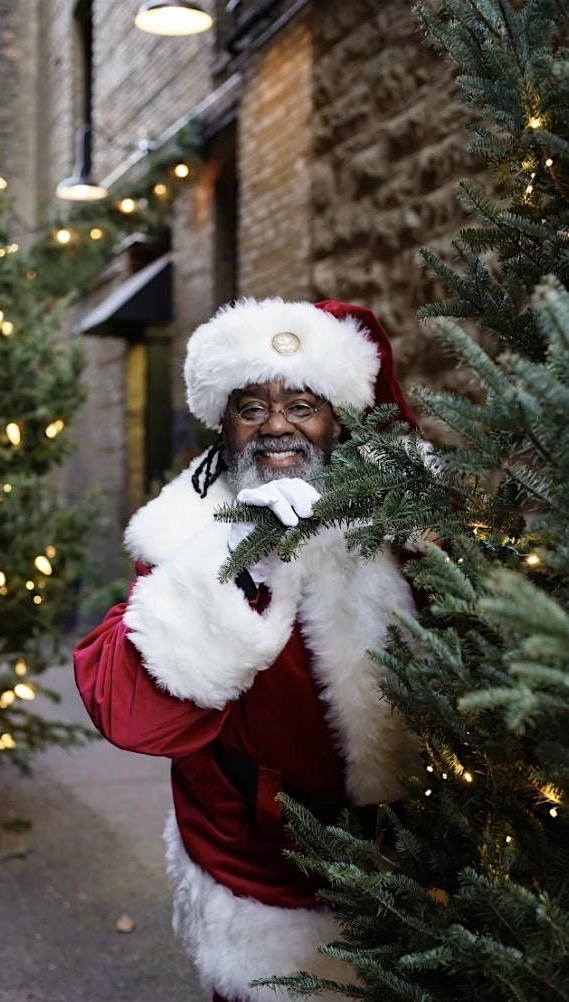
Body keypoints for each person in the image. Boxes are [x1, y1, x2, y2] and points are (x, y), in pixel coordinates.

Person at [74, 297, 420, 1002]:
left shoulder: (406, 519)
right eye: (251, 408)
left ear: (339, 416)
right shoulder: (188, 527)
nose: (277, 427)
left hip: (414, 858)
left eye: (301, 403)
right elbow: (125, 706)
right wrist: (233, 560)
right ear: (225, 424)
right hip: (258, 858)